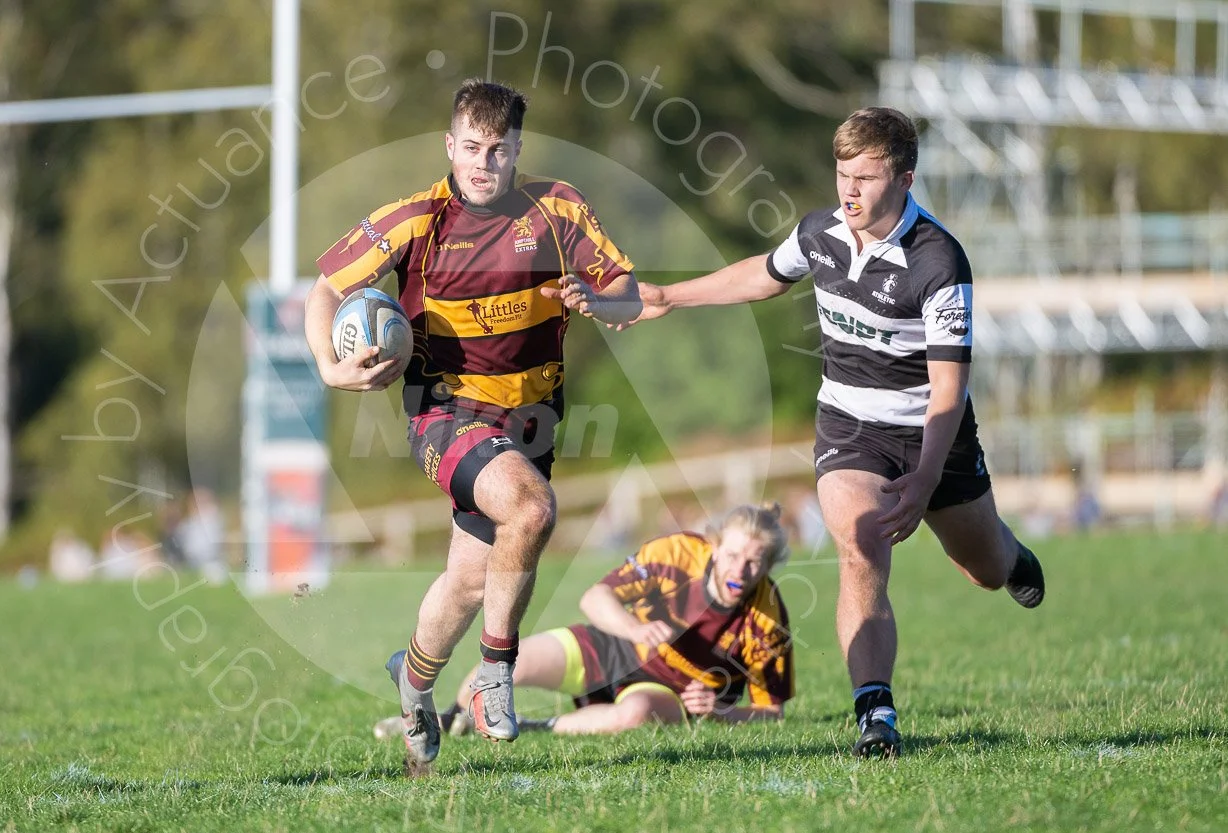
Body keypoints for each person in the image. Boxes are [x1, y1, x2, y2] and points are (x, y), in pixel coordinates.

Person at [622, 107, 1044, 759]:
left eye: (866, 178)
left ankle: (1010, 556)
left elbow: (949, 392)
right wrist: (669, 297)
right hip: (852, 428)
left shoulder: (939, 262)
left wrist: (927, 478)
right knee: (860, 543)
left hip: (935, 435)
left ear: (905, 178)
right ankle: (876, 712)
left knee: (984, 570)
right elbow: (763, 274)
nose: (849, 191)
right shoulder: (821, 231)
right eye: (842, 174)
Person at [304, 79, 642, 766]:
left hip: (535, 414)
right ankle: (496, 673)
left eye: (498, 150)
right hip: (445, 408)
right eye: (471, 149)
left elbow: (626, 293)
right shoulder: (414, 220)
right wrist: (328, 366)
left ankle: (414, 681)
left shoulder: (558, 209)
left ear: (518, 148)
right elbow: (329, 289)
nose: (483, 164)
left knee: (468, 578)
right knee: (531, 508)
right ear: (449, 145)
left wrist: (597, 302)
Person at [372, 503, 793, 741]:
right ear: (716, 548)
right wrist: (633, 629)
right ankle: (447, 720)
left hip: (667, 687)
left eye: (756, 561)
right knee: (505, 666)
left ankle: (535, 728)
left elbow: (771, 710)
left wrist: (720, 711)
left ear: (769, 566)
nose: (742, 568)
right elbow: (595, 597)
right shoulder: (679, 553)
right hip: (613, 647)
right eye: (735, 555)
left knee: (634, 713)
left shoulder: (767, 618)